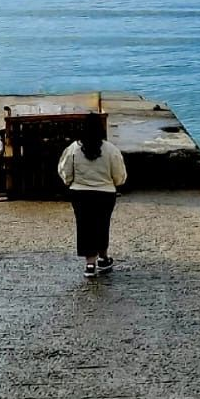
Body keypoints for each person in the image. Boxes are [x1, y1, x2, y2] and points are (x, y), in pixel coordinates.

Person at [57, 113, 127, 278]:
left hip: (80, 193)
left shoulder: (73, 149)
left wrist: (70, 182)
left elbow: (65, 171)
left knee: (84, 226)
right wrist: (114, 183)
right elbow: (119, 175)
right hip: (105, 194)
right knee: (102, 225)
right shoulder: (111, 150)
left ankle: (90, 264)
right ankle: (103, 258)